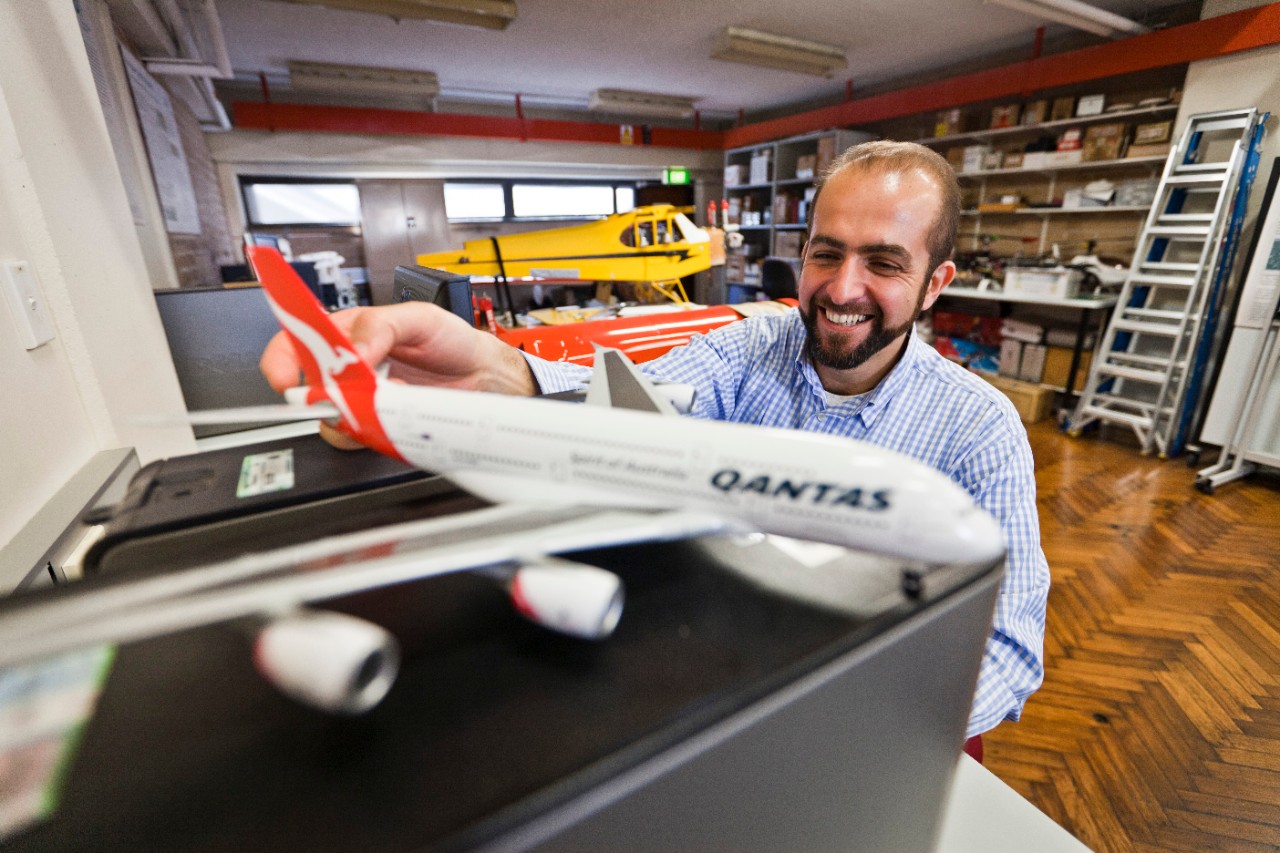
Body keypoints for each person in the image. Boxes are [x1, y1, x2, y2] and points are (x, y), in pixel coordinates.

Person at [261, 140, 1049, 738]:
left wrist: (840, 715)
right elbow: (632, 404)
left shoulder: (980, 431)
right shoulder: (751, 346)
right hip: (708, 669)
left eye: (883, 263)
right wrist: (503, 373)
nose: (843, 289)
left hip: (854, 717)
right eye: (826, 253)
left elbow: (1011, 647)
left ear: (935, 284)